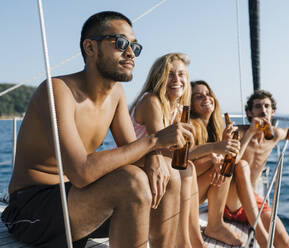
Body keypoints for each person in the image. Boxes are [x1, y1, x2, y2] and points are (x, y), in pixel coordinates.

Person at [1, 11, 195, 248]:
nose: (131, 53)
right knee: (130, 181)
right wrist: (154, 141)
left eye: (135, 46)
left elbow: (133, 149)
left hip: (76, 200)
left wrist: (155, 156)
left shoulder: (116, 94)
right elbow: (81, 172)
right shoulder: (57, 90)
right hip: (31, 209)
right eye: (121, 43)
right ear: (90, 48)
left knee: (170, 173)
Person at [130, 53, 205, 248]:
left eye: (181, 75)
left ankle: (190, 240)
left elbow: (179, 151)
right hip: (132, 163)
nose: (177, 80)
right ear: (159, 77)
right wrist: (213, 148)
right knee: (183, 168)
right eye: (170, 74)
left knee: (188, 167)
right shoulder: (151, 101)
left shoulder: (177, 109)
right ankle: (180, 242)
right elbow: (161, 147)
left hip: (150, 162)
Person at [224, 89, 289, 248]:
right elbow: (231, 162)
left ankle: (260, 230)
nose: (263, 110)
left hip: (251, 202)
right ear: (249, 112)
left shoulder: (274, 134)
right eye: (258, 107)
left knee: (287, 244)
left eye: (267, 106)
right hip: (228, 200)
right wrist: (250, 132)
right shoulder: (239, 132)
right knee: (241, 166)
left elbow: (288, 131)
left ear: (273, 111)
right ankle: (261, 237)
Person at [189, 80, 243, 246]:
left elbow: (236, 159)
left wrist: (228, 143)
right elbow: (185, 167)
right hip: (185, 192)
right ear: (190, 104)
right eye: (199, 96)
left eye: (208, 94)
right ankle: (215, 225)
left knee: (226, 165)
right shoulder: (190, 126)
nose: (206, 98)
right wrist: (214, 156)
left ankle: (215, 224)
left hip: (198, 191)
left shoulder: (216, 127)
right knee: (219, 163)